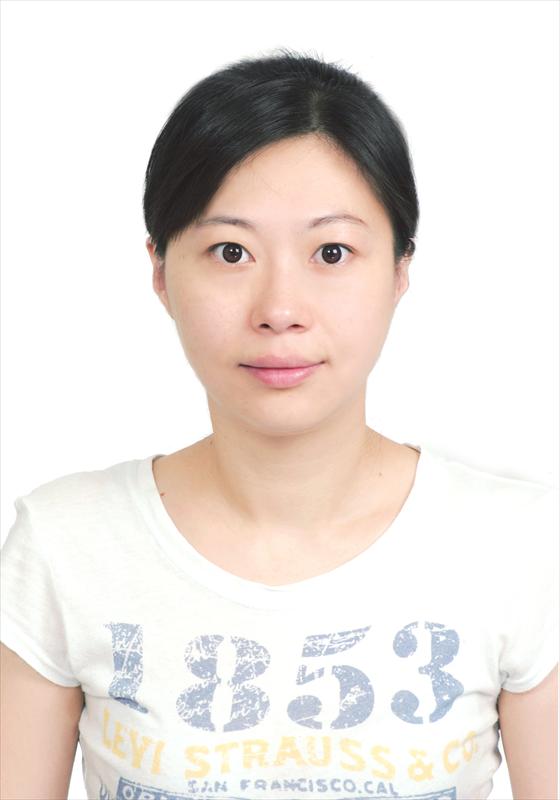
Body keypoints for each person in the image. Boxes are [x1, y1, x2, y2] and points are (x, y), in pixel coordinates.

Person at [1, 48, 557, 800]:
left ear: (400, 269)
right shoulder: (67, 544)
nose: (280, 309)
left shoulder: (520, 546)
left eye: (332, 251)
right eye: (230, 252)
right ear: (160, 271)